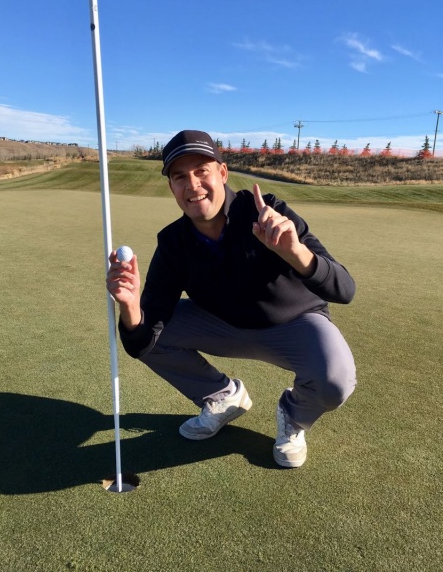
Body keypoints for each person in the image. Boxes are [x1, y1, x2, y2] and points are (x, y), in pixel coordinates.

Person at [106, 129, 356, 468]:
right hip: (222, 326)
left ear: (222, 173)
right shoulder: (173, 242)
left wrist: (296, 253)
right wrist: (130, 307)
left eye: (201, 171)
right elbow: (140, 342)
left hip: (294, 325)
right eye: (180, 177)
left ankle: (293, 416)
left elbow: (345, 289)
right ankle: (223, 397)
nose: (192, 184)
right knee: (145, 330)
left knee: (335, 380)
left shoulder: (267, 212)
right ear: (172, 187)